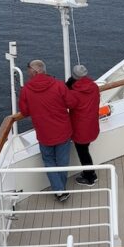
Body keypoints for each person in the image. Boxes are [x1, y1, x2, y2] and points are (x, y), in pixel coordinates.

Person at [18, 59, 73, 202]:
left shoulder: (26, 90)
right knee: (62, 161)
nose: (27, 71)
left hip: (44, 132)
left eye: (28, 69)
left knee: (49, 160)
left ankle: (59, 190)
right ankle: (60, 189)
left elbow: (24, 111)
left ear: (35, 71)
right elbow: (71, 102)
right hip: (63, 129)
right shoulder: (59, 85)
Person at [66, 64, 100, 186]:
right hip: (92, 124)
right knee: (85, 150)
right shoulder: (94, 87)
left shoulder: (74, 92)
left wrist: (68, 87)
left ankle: (90, 176)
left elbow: (68, 104)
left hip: (80, 127)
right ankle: (90, 173)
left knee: (83, 153)